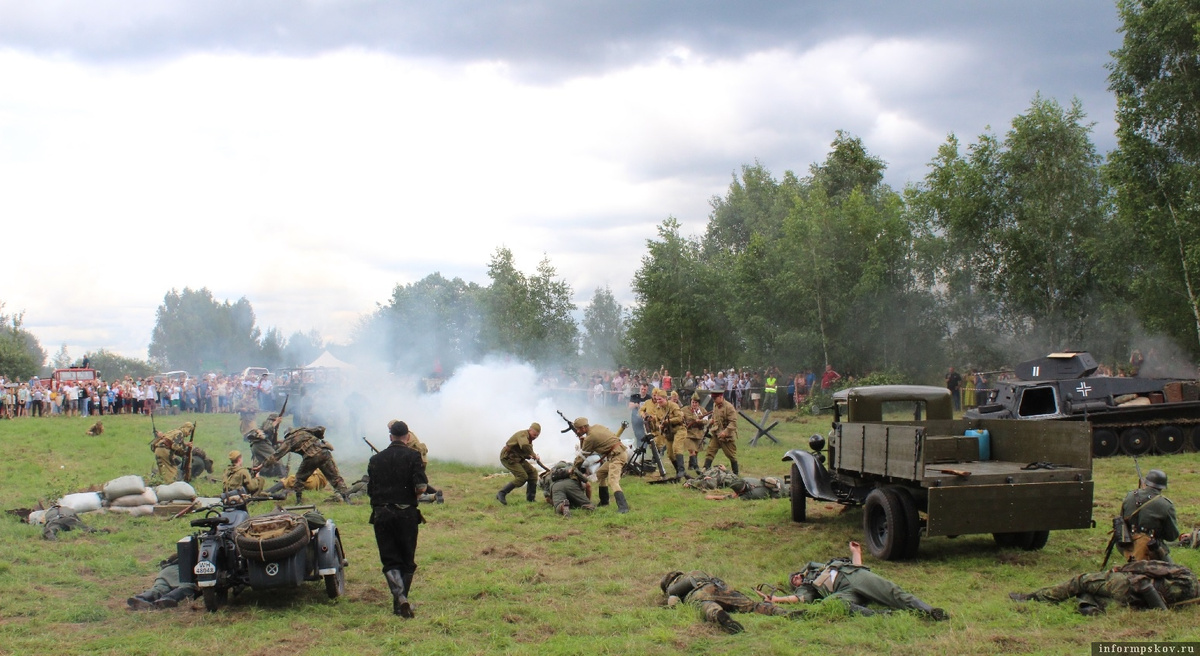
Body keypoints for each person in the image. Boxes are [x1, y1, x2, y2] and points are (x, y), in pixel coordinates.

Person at [761, 541, 948, 620]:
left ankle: (930, 611)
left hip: (855, 577)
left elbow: (856, 568)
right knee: (831, 604)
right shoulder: (807, 589)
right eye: (792, 582)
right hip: (843, 592)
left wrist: (856, 553)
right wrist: (776, 600)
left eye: (795, 575)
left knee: (893, 591)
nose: (795, 578)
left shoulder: (822, 567)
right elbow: (798, 600)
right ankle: (885, 615)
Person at [368, 420, 429, 618]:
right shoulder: (414, 456)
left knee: (390, 560)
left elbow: (371, 490)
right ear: (408, 437)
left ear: (390, 437)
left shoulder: (376, 460)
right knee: (407, 560)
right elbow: (421, 487)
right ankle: (402, 599)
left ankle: (399, 600)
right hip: (406, 515)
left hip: (382, 514)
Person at [1010, 560, 1199, 615]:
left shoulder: (1186, 574)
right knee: (1090, 591)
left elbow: (1148, 567)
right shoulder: (1192, 598)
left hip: (1127, 585)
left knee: (1081, 580)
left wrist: (1122, 569)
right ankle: (1090, 607)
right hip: (1138, 599)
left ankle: (1035, 597)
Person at [660, 570, 801, 634]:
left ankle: (719, 615)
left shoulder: (673, 590)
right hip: (718, 588)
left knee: (707, 607)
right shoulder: (696, 572)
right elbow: (717, 579)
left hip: (698, 595)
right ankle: (784, 612)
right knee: (752, 606)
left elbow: (674, 602)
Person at [256, 425, 350, 503]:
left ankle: (298, 501)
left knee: (299, 479)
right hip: (324, 452)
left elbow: (276, 456)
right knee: (336, 478)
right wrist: (319, 437)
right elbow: (321, 428)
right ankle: (347, 499)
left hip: (311, 456)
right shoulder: (304, 431)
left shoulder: (289, 440)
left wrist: (262, 465)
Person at [571, 416, 630, 513]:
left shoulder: (590, 438)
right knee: (600, 475)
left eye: (577, 429)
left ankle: (623, 508)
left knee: (613, 481)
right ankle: (604, 501)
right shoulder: (597, 427)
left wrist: (573, 468)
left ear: (583, 428)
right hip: (616, 455)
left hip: (617, 456)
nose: (577, 432)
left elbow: (582, 457)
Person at [1119, 469, 1180, 562]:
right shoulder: (1166, 505)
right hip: (1149, 549)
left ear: (1146, 482)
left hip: (1126, 544)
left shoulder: (1129, 496)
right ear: (1162, 487)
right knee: (1172, 570)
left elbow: (1121, 520)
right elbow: (1172, 536)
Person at [496, 422, 544, 505]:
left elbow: (524, 451)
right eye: (534, 434)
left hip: (518, 458)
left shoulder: (529, 438)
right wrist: (533, 455)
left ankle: (530, 499)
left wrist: (530, 456)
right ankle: (502, 493)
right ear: (530, 430)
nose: (535, 437)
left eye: (537, 436)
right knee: (522, 477)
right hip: (508, 457)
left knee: (533, 472)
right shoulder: (522, 435)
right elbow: (524, 445)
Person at [127, 555, 196, 610]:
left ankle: (141, 598)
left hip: (165, 572)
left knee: (159, 588)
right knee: (187, 586)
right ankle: (168, 598)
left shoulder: (182, 552)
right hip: (180, 570)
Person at [647, 389, 687, 480]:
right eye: (657, 399)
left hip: (679, 429)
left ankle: (681, 470)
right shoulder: (657, 408)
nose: (658, 401)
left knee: (676, 448)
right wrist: (659, 425)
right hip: (668, 433)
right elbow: (657, 421)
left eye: (660, 399)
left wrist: (668, 421)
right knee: (670, 454)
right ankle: (679, 472)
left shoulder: (673, 405)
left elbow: (680, 418)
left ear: (665, 398)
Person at [702, 389, 739, 475]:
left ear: (721, 397)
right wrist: (712, 421)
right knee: (710, 451)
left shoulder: (729, 407)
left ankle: (735, 473)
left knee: (731, 454)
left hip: (726, 436)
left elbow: (733, 422)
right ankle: (705, 470)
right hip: (716, 434)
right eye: (713, 398)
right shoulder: (715, 405)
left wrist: (725, 432)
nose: (713, 400)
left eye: (715, 398)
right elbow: (716, 416)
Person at [246, 413, 286, 477]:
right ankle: (283, 476)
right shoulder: (269, 422)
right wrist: (276, 422)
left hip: (257, 445)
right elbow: (266, 430)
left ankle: (255, 475)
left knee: (261, 462)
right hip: (261, 444)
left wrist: (279, 441)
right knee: (276, 457)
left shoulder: (269, 423)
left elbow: (269, 438)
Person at [681, 394, 708, 476]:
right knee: (692, 450)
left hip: (699, 433)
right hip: (689, 433)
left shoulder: (702, 410)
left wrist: (700, 421)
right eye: (693, 402)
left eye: (696, 402)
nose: (694, 404)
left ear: (698, 403)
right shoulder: (685, 409)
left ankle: (690, 465)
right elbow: (681, 415)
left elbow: (706, 420)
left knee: (696, 451)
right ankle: (696, 467)